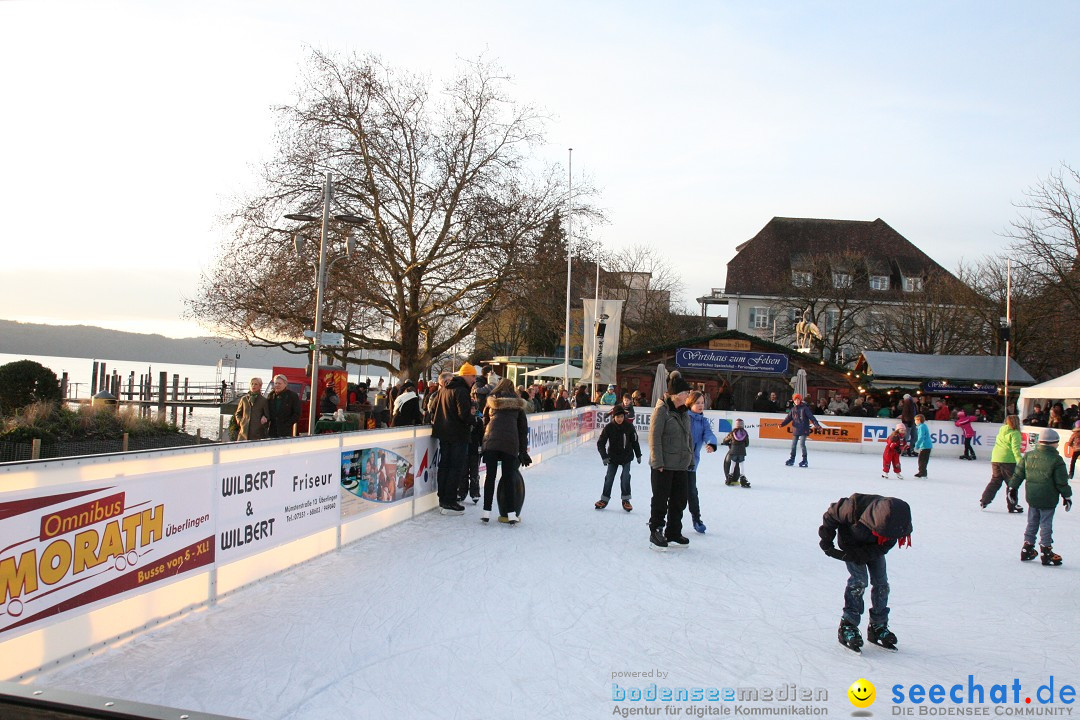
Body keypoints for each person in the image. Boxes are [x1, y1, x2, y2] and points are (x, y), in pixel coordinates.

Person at [818, 494, 913, 652]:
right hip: (852, 545)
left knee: (882, 583)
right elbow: (831, 514)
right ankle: (848, 625)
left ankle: (878, 625)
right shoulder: (854, 507)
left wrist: (866, 554)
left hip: (874, 547)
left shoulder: (895, 524)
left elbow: (886, 545)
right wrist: (827, 539)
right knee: (859, 581)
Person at [1008, 428, 1072, 566]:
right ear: (1053, 443)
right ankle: (1046, 551)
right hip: (1048, 498)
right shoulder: (1057, 460)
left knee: (1032, 522)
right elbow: (1061, 482)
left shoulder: (1029, 456)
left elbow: (1018, 474)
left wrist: (1012, 488)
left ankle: (1027, 548)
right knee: (1046, 524)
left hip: (1032, 496)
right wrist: (1067, 496)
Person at [648, 370, 694, 551]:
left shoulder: (684, 412)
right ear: (676, 395)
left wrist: (689, 458)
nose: (688, 396)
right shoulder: (662, 411)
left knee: (679, 500)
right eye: (685, 393)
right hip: (664, 465)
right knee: (660, 500)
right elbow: (654, 437)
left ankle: (673, 532)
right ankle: (656, 531)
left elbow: (688, 437)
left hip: (681, 465)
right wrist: (657, 462)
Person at [481, 378, 531, 524]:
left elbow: (485, 423)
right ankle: (511, 514)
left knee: (490, 477)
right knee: (508, 477)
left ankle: (486, 512)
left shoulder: (491, 403)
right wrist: (523, 451)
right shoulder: (518, 405)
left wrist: (483, 443)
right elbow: (522, 431)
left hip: (492, 443)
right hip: (510, 444)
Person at [431, 363, 478, 515]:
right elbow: (463, 415)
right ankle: (450, 501)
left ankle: (443, 499)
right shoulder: (461, 391)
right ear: (466, 375)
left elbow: (435, 409)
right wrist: (475, 419)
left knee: (445, 466)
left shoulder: (445, 389)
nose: (474, 380)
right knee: (455, 468)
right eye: (473, 376)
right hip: (457, 434)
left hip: (444, 433)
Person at [594, 404, 642, 512]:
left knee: (625, 477)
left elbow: (635, 441)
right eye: (617, 417)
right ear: (613, 417)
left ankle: (626, 500)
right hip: (613, 457)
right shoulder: (609, 428)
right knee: (609, 477)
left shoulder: (629, 427)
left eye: (621, 417)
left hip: (626, 456)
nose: (620, 419)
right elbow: (601, 443)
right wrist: (604, 456)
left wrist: (638, 454)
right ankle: (604, 499)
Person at [685, 390, 718, 533]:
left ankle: (696, 519)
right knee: (676, 494)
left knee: (692, 492)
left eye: (702, 403)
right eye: (697, 403)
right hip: (677, 462)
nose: (700, 405)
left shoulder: (704, 422)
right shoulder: (683, 417)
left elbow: (708, 434)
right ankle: (667, 521)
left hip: (692, 463)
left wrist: (711, 443)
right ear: (690, 403)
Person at [981, 415, 1024, 512]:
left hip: (996, 458)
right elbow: (1015, 449)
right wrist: (1020, 462)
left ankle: (985, 500)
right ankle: (1012, 505)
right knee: (1011, 483)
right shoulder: (1015, 433)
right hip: (1008, 461)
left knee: (995, 480)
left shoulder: (1002, 430)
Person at [464, 376, 493, 504]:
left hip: (475, 450)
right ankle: (462, 491)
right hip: (465, 449)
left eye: (474, 409)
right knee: (463, 472)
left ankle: (475, 492)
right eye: (470, 409)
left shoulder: (478, 422)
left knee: (474, 472)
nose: (472, 410)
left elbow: (482, 435)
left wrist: (482, 447)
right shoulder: (464, 421)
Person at [780, 393, 823, 468]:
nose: (796, 401)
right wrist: (782, 424)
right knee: (793, 445)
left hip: (804, 428)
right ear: (793, 401)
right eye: (795, 400)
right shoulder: (793, 409)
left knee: (802, 444)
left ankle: (805, 460)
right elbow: (788, 419)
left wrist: (818, 426)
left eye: (798, 399)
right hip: (796, 428)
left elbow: (812, 418)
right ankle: (792, 459)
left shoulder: (805, 408)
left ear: (800, 400)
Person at [266, 374, 301, 438]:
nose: (277, 385)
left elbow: (297, 414)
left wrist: (287, 424)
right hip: (272, 431)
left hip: (285, 431)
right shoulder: (270, 396)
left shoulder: (292, 396)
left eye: (279, 383)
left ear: (285, 384)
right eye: (275, 383)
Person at [721, 417, 750, 489]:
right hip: (742, 451)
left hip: (733, 451)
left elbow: (725, 440)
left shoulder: (732, 433)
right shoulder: (745, 433)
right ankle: (742, 477)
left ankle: (729, 477)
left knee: (733, 464)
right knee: (741, 464)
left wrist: (728, 444)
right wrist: (743, 446)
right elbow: (747, 444)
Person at [912, 414, 933, 478]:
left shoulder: (921, 427)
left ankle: (922, 473)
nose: (915, 421)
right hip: (926, 446)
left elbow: (921, 437)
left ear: (919, 420)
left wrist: (917, 445)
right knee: (923, 460)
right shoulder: (923, 426)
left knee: (922, 460)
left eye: (915, 420)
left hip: (925, 446)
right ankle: (923, 472)